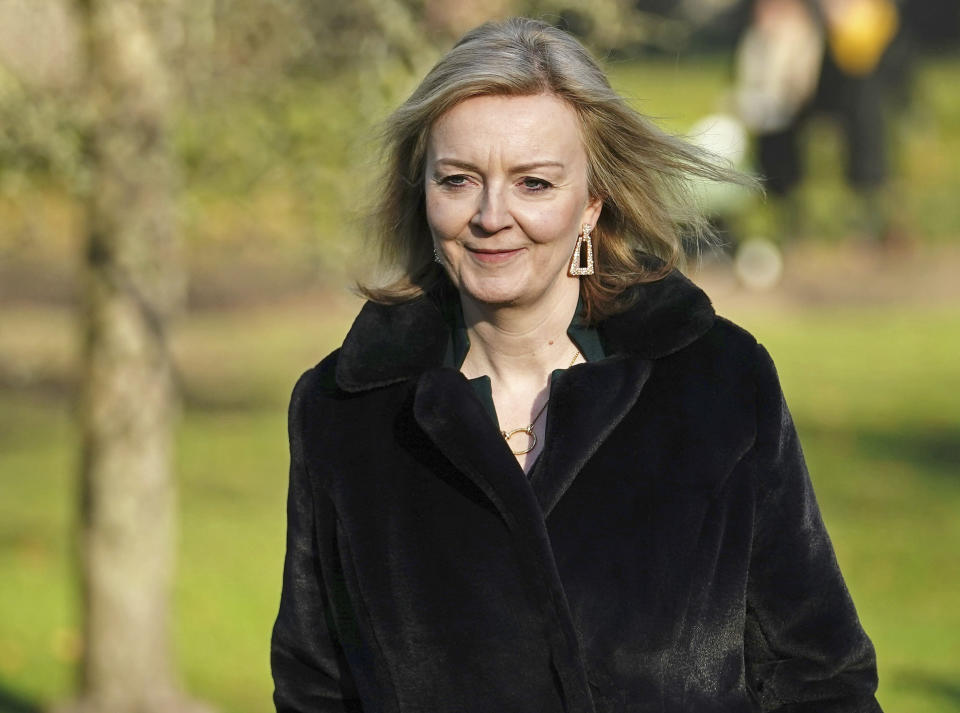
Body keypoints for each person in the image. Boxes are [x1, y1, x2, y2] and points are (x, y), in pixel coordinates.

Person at [271, 17, 882, 713]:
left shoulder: (715, 380)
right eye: (458, 180)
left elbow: (820, 673)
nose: (491, 215)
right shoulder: (346, 411)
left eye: (533, 183)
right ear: (423, 192)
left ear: (592, 203)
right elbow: (316, 685)